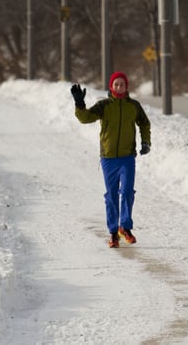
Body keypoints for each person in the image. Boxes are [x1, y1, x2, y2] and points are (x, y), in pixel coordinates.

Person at [70, 71, 151, 248]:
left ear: (126, 87)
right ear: (111, 86)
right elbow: (85, 118)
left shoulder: (134, 106)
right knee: (111, 195)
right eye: (116, 84)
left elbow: (144, 123)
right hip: (108, 158)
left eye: (122, 84)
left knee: (128, 191)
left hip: (127, 157)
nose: (119, 87)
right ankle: (113, 233)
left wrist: (146, 141)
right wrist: (79, 103)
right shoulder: (104, 105)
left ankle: (125, 227)